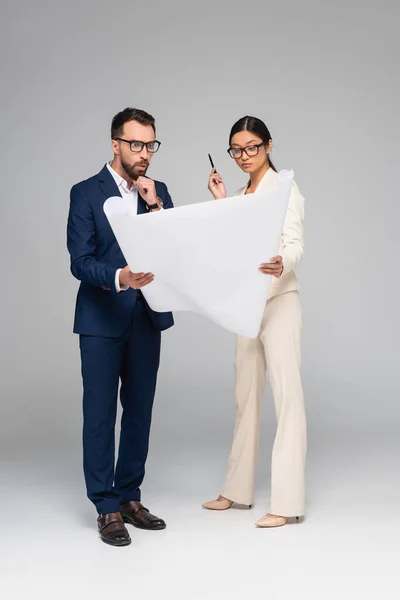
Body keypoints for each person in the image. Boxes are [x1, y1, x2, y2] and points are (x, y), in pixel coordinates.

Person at [67, 107, 174, 546]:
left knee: (140, 410)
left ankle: (130, 497)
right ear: (115, 144)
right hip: (101, 319)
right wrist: (118, 278)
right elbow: (80, 260)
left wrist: (154, 204)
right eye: (136, 144)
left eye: (150, 144)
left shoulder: (159, 190)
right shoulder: (84, 192)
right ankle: (105, 506)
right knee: (99, 415)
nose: (144, 153)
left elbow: (175, 248)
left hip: (146, 316)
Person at [203, 116, 306, 527]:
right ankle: (236, 490)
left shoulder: (285, 187)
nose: (244, 156)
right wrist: (222, 199)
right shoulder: (246, 191)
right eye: (237, 150)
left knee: (288, 399)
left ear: (268, 145)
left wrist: (283, 262)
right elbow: (233, 242)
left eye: (252, 147)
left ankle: (287, 502)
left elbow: (295, 242)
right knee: (245, 396)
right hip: (247, 305)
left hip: (280, 300)